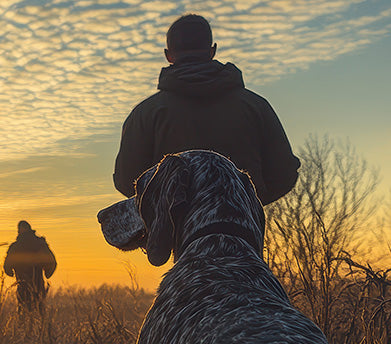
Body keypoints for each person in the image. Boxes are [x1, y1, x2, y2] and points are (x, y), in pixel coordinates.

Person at [113, 14, 300, 205]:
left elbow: (127, 180)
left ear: (168, 55)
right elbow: (284, 175)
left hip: (170, 233)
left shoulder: (146, 114)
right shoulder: (255, 106)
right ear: (212, 51)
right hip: (240, 231)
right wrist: (247, 205)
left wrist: (166, 208)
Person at [3, 220, 57, 313]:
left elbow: (7, 265)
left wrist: (10, 272)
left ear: (21, 230)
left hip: (22, 284)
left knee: (23, 311)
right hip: (38, 283)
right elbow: (51, 262)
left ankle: (24, 327)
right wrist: (47, 273)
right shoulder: (39, 244)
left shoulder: (16, 246)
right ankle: (40, 327)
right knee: (39, 311)